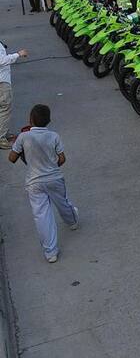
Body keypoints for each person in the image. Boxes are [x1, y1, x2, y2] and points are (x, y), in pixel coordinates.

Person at [9, 105, 80, 263]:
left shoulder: (23, 137)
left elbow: (12, 158)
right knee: (63, 203)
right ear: (48, 121)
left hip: (34, 183)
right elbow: (62, 159)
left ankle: (51, 253)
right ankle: (72, 221)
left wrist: (19, 149)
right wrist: (52, 167)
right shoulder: (54, 136)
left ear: (30, 120)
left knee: (41, 215)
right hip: (54, 178)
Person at [0, 42, 27, 149]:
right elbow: (1, 60)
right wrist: (18, 54)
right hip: (1, 82)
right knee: (4, 109)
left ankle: (3, 133)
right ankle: (1, 138)